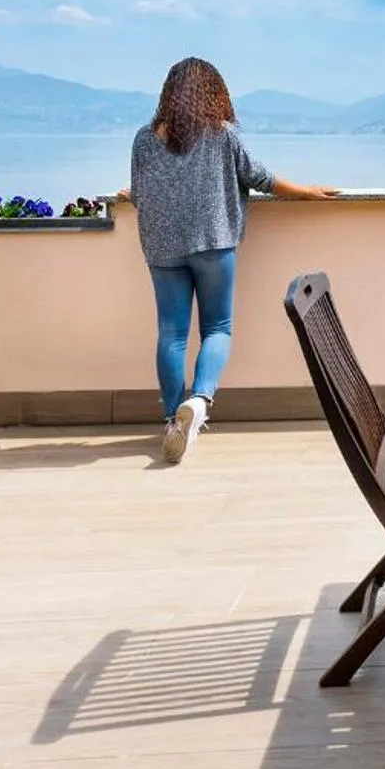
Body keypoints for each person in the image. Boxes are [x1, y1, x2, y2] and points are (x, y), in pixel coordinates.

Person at [127, 56, 337, 464]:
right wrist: (307, 192)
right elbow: (260, 178)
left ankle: (174, 418)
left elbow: (140, 192)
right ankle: (200, 402)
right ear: (214, 93)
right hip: (213, 243)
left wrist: (127, 196)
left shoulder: (143, 138)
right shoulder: (222, 135)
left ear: (168, 93)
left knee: (171, 333)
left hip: (162, 248)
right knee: (217, 328)